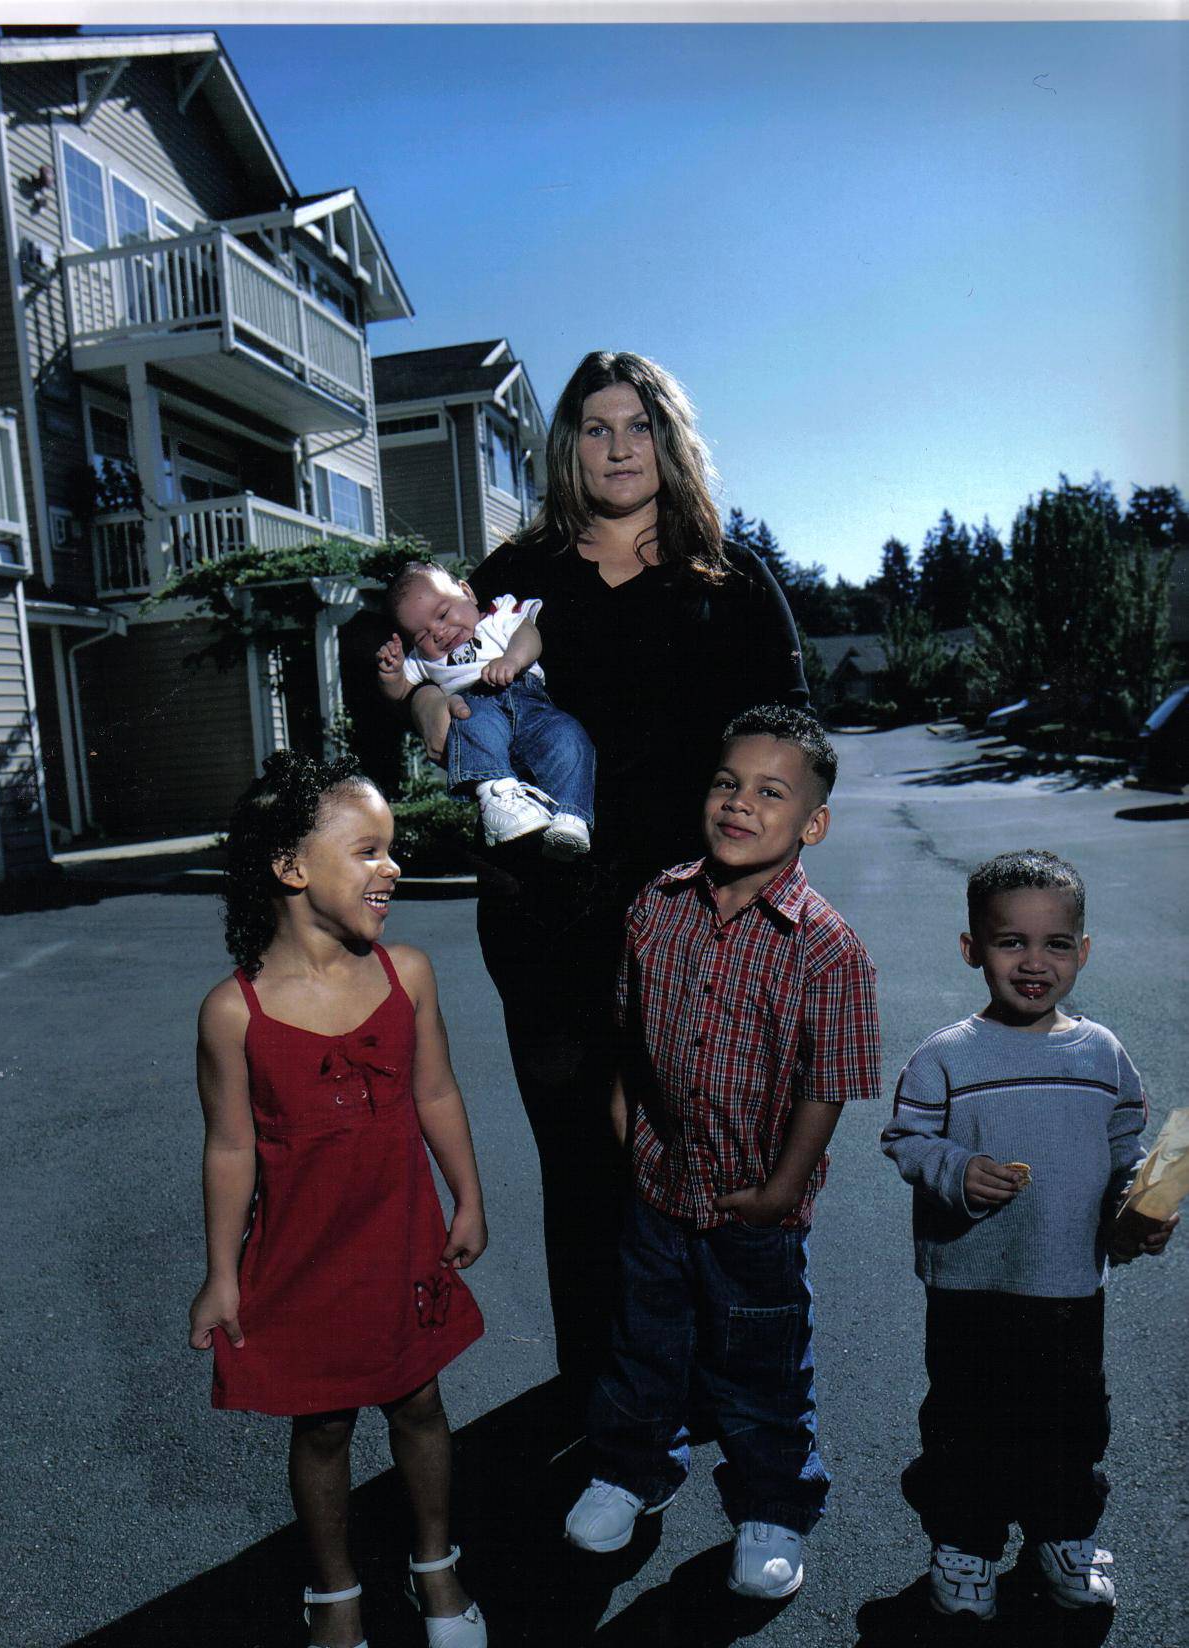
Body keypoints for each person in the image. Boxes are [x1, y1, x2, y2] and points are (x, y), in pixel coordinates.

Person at [408, 351, 809, 1417]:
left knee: (701, 1145)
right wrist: (426, 705)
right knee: (583, 1156)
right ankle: (603, 1394)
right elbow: (414, 653)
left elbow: (792, 733)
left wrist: (759, 875)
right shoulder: (519, 570)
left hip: (698, 916)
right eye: (596, 427)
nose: (619, 447)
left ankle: (711, 1382)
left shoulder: (728, 574)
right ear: (568, 447)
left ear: (668, 440)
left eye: (638, 425)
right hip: (549, 916)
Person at [564, 705, 880, 1601]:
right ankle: (632, 1469)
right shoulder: (656, 905)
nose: (740, 803)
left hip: (754, 1203)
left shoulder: (826, 947)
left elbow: (829, 1083)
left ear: (812, 824)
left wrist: (782, 1189)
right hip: (659, 1183)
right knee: (643, 1344)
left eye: (771, 793)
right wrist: (625, 1122)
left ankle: (773, 1505)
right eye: (726, 783)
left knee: (760, 1366)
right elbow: (625, 1031)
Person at [188, 751, 488, 1648]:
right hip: (303, 1257)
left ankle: (435, 1567)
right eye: (367, 851)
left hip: (400, 1241)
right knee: (320, 1427)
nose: (390, 867)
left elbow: (436, 1092)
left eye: (390, 849)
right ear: (291, 869)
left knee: (419, 1401)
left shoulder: (407, 973)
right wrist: (220, 1275)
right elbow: (230, 1148)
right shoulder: (233, 1012)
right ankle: (335, 1594)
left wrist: (467, 1196)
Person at [881, 850, 1178, 1622]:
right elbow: (906, 1140)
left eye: (1055, 944)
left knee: (1071, 1422)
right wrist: (956, 1171)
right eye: (1010, 941)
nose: (1033, 962)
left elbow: (1124, 1151)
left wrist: (1139, 1209)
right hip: (969, 1282)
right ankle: (965, 1544)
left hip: (1068, 1284)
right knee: (965, 1422)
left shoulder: (1101, 1054)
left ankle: (1062, 1535)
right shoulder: (945, 1055)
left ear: (1083, 951)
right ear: (971, 948)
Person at [376, 560, 595, 857]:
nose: (439, 632)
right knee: (473, 722)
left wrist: (513, 660)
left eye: (443, 614)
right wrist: (391, 675)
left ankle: (570, 817)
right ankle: (497, 798)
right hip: (476, 703)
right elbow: (402, 691)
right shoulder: (423, 660)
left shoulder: (498, 616)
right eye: (422, 635)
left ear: (467, 592)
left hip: (531, 704)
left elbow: (528, 634)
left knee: (568, 734)